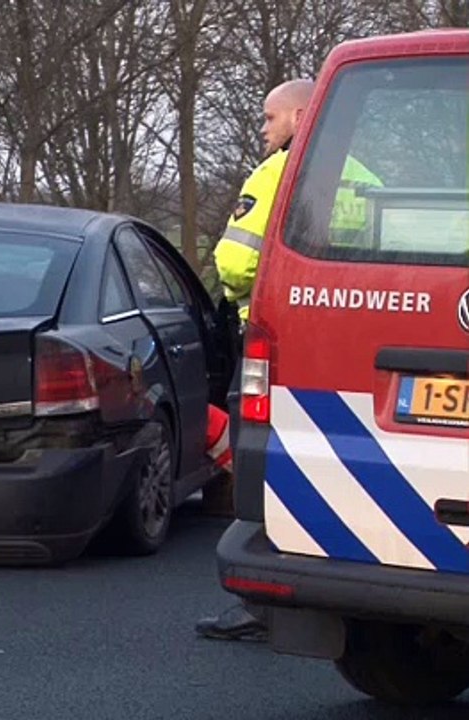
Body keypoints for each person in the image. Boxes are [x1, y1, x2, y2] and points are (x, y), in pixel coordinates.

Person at [197, 78, 381, 642]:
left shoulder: (278, 171)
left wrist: (235, 299)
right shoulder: (368, 180)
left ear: (303, 117)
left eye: (270, 118)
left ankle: (262, 601)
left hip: (277, 336)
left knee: (260, 461)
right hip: (346, 339)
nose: (264, 130)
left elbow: (234, 262)